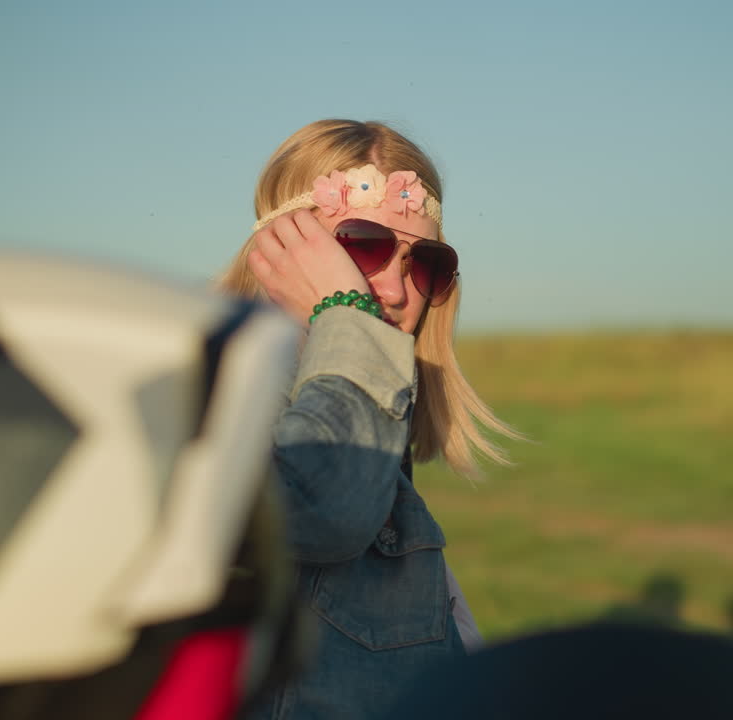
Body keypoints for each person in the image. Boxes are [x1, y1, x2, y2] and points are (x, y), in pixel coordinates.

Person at [216, 119, 518, 719]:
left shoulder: (377, 434)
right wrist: (346, 314)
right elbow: (326, 515)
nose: (400, 290)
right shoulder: (223, 405)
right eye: (364, 244)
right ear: (280, 247)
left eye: (424, 262)